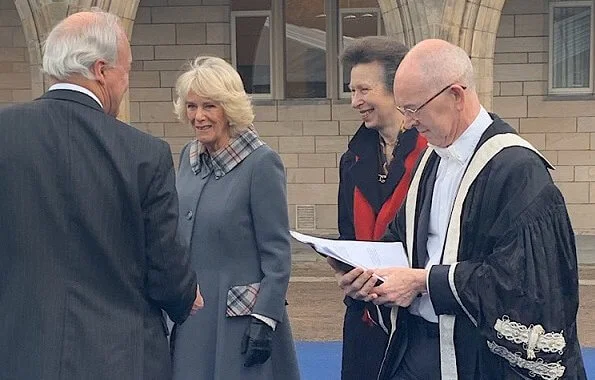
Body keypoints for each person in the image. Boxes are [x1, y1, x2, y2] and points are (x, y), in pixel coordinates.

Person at [331, 39, 587, 379]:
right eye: (403, 109)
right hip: (416, 345)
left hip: (480, 357)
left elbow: (527, 285)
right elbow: (401, 241)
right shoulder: (429, 161)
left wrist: (425, 281)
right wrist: (367, 275)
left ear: (455, 95)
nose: (407, 123)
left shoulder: (517, 170)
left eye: (414, 109)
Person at [0, 10, 201, 380]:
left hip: (19, 352)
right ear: (101, 70)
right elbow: (166, 270)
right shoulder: (144, 153)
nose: (126, 82)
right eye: (127, 70)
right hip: (121, 357)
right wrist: (187, 295)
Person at [170, 56, 300, 380]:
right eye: (191, 106)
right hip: (191, 318)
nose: (198, 117)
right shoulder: (189, 157)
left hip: (240, 323)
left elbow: (277, 252)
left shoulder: (261, 163)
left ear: (229, 108)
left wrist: (266, 319)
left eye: (209, 106)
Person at [335, 36, 426, 380]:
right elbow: (348, 235)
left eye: (363, 90)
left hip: (419, 323)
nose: (355, 101)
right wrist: (346, 274)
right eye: (352, 90)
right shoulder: (352, 158)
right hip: (364, 320)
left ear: (396, 89)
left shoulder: (432, 155)